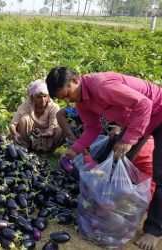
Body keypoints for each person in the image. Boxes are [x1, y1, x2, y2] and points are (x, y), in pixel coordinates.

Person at [46, 66, 162, 250]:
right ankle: (117, 215)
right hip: (139, 120)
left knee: (160, 174)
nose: (68, 100)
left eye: (67, 94)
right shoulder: (82, 103)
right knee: (117, 167)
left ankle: (154, 230)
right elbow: (93, 129)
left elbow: (144, 104)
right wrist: (74, 150)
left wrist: (129, 139)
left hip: (158, 110)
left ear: (76, 80)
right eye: (63, 99)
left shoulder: (101, 86)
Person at [9, 79, 63, 152]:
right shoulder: (27, 105)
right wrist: (15, 134)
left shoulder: (54, 107)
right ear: (32, 97)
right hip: (30, 135)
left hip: (47, 136)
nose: (42, 100)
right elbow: (13, 124)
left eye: (45, 96)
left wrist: (43, 134)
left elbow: (52, 128)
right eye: (39, 97)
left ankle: (49, 149)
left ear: (48, 96)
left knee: (59, 128)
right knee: (24, 119)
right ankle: (25, 146)